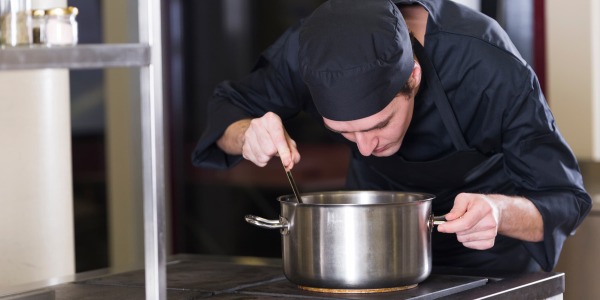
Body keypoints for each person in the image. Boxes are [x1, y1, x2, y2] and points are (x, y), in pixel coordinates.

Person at [192, 0, 591, 274]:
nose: (366, 148)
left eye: (379, 125)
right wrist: (247, 134)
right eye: (343, 133)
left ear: (413, 77)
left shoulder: (487, 66)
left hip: (490, 267)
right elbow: (228, 109)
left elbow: (564, 200)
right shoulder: (311, 50)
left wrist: (499, 212)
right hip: (369, 262)